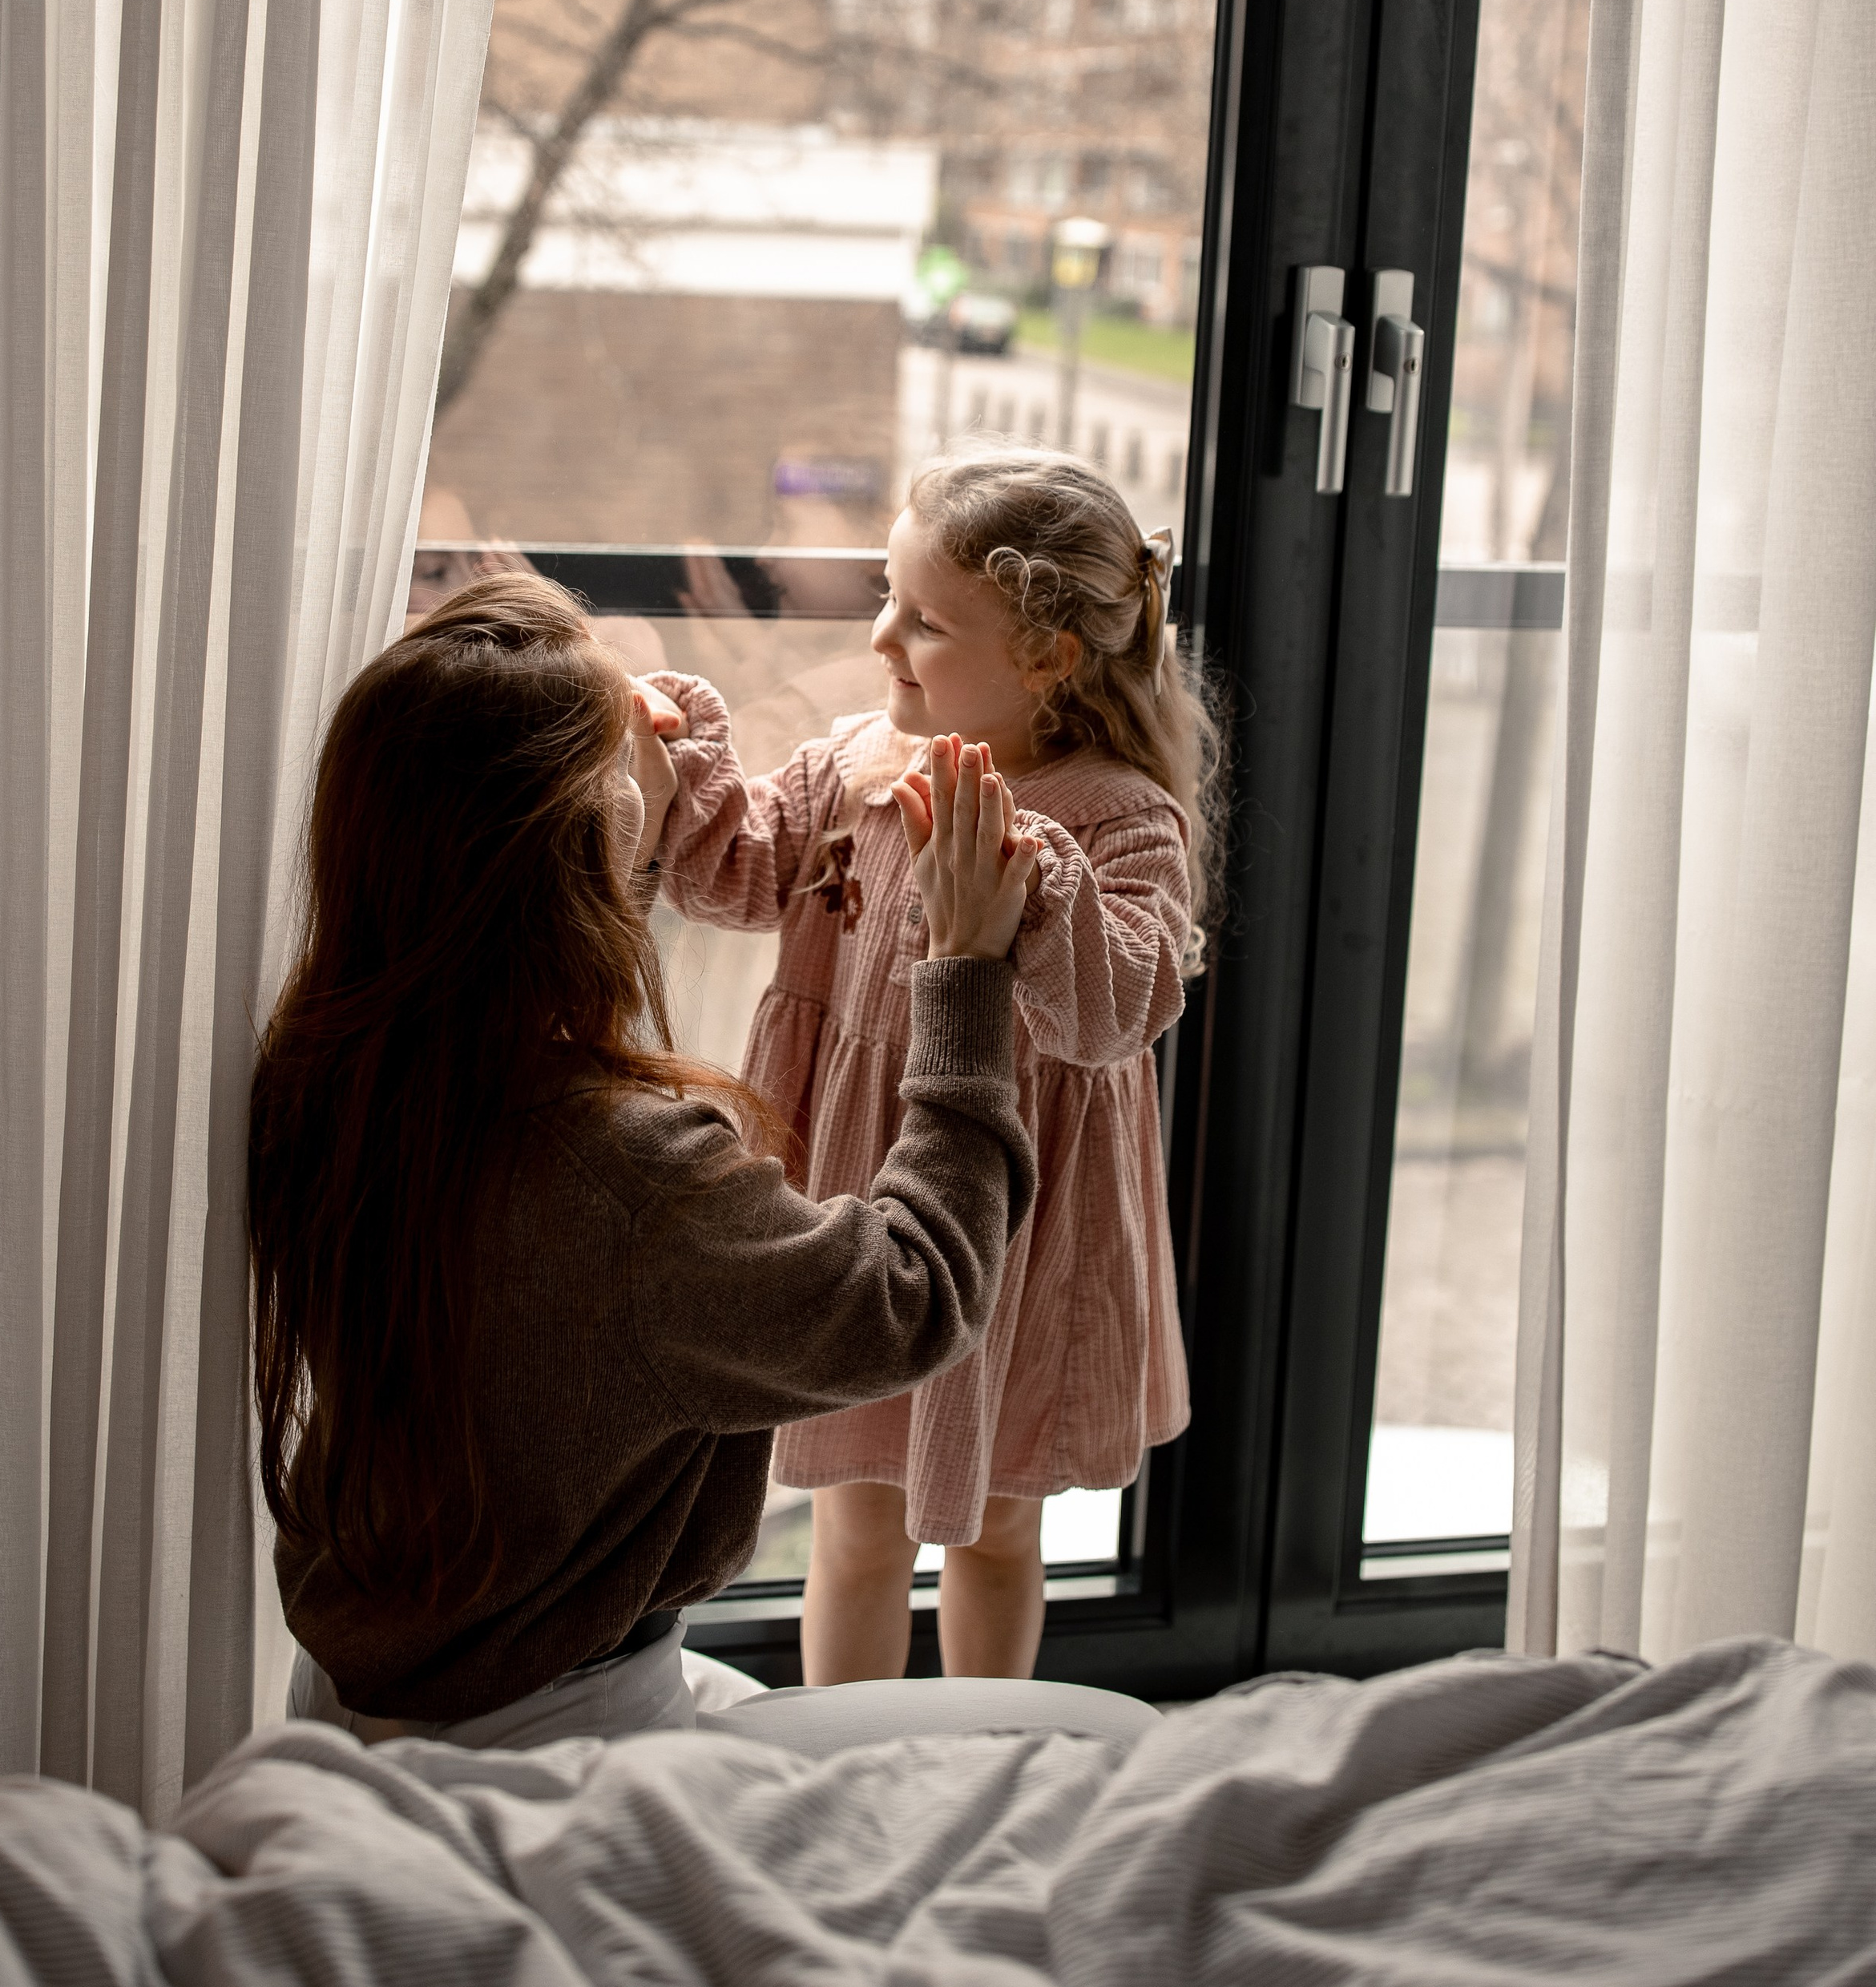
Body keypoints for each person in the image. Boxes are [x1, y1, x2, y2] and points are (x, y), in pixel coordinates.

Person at [248, 568, 1044, 1751]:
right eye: (619, 759)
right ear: (573, 848)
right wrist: (967, 974)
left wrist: (622, 815)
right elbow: (909, 1294)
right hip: (560, 1740)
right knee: (1033, 1746)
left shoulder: (330, 1074)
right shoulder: (631, 1180)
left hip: (376, 1694)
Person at [644, 448, 1218, 1686]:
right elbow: (730, 871)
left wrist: (1025, 874)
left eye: (926, 620)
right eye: (886, 601)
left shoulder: (1124, 818)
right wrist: (678, 756)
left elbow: (1112, 1014)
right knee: (855, 1513)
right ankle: (843, 1776)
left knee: (1003, 1520)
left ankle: (977, 1765)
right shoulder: (859, 766)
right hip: (856, 1193)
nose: (883, 640)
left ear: (1048, 659)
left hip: (1025, 1223)